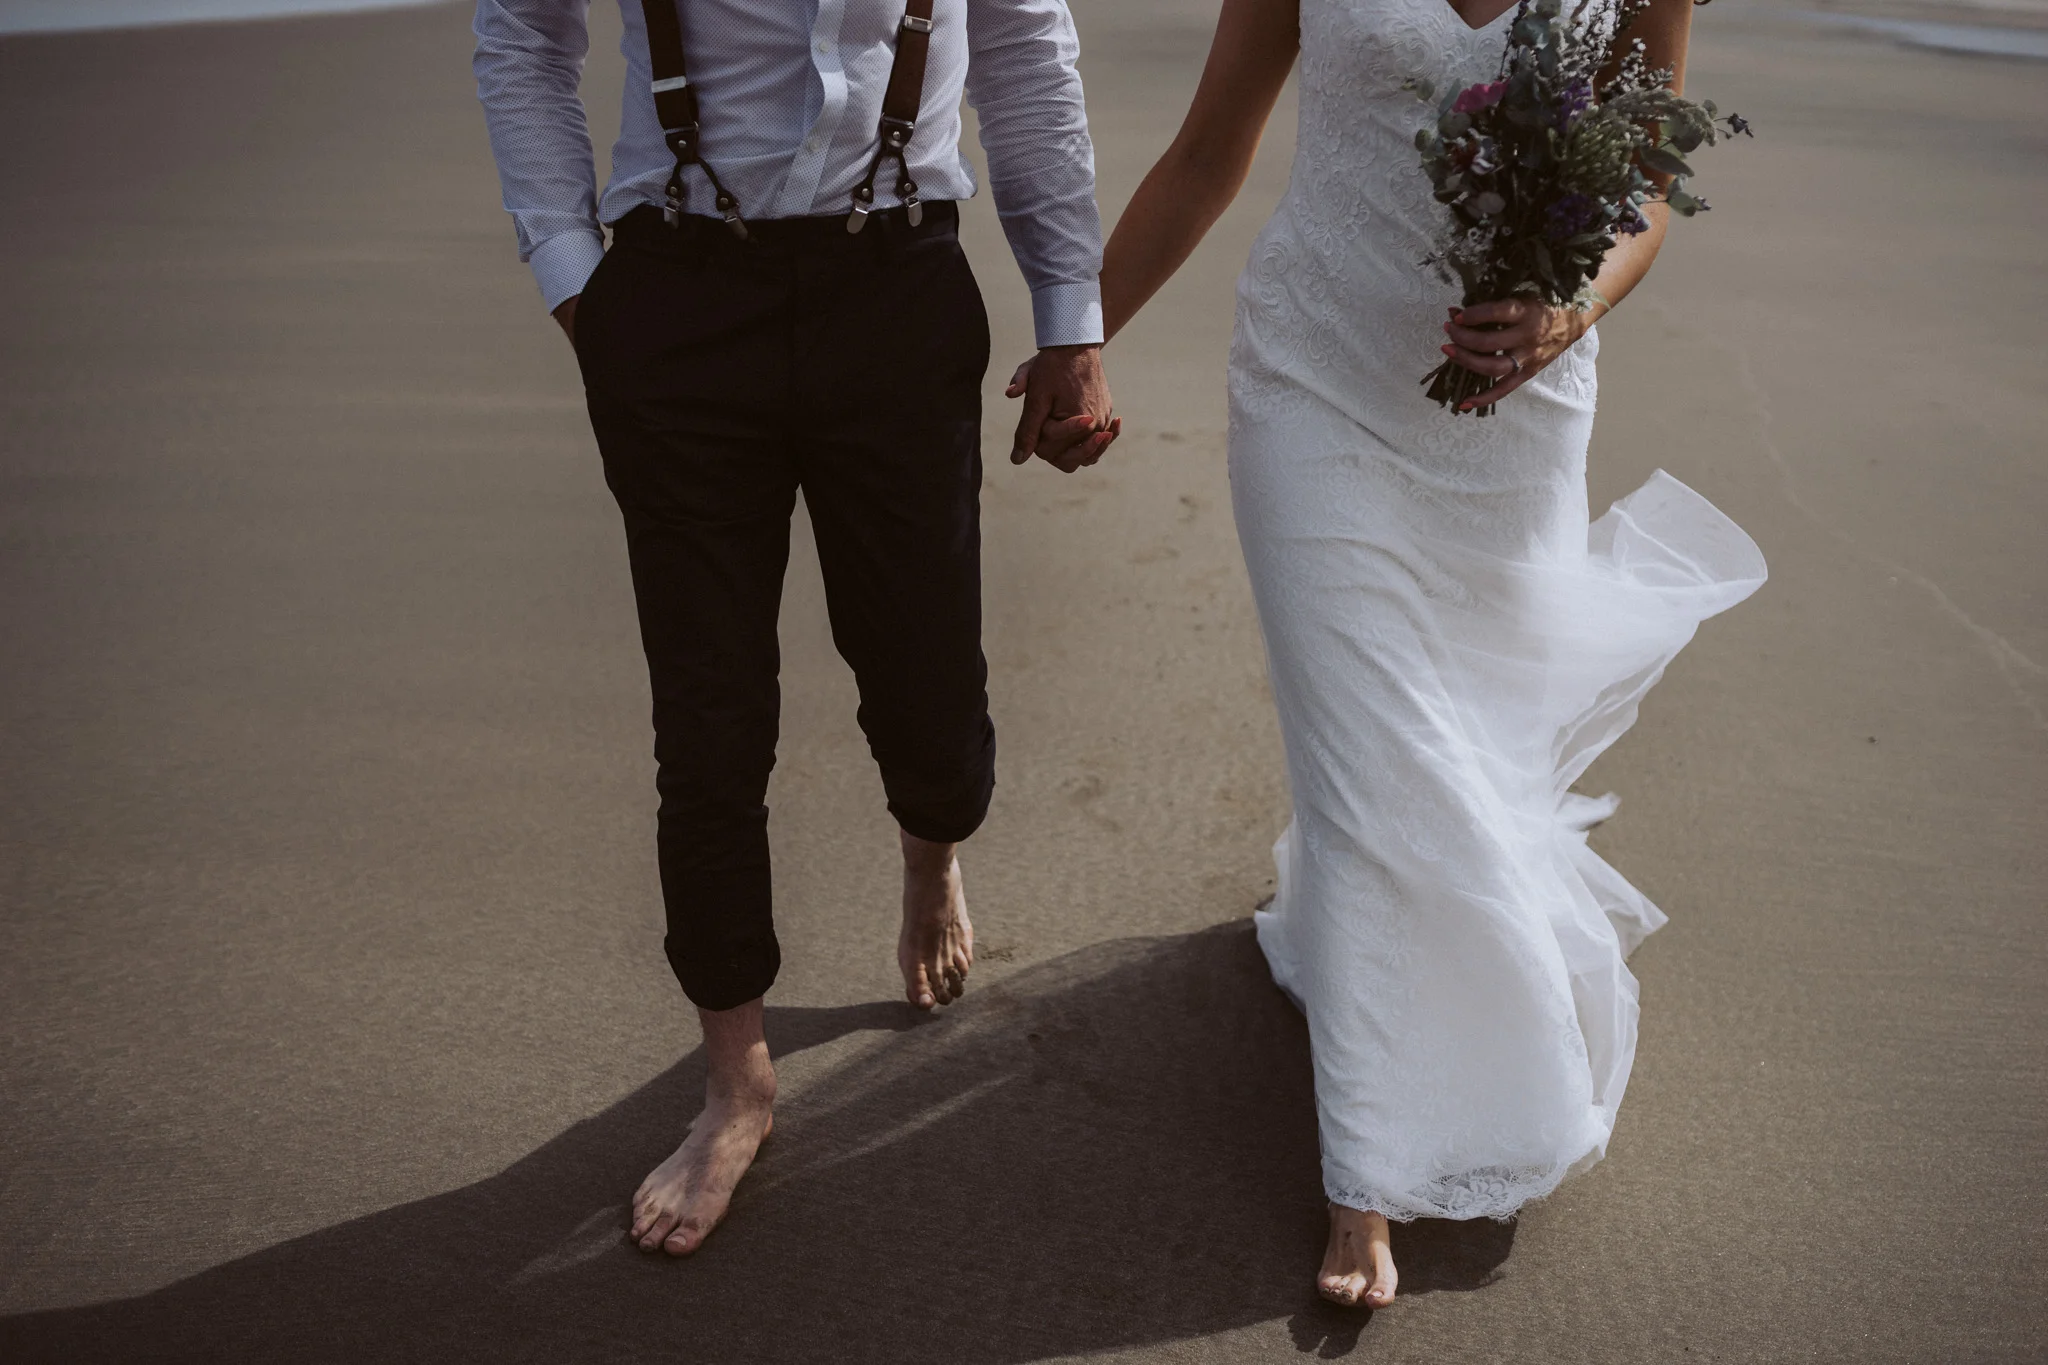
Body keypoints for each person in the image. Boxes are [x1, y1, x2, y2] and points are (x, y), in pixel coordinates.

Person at [1009, 0, 1765, 1308]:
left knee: (1475, 747)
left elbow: (1644, 172)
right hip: (1315, 381)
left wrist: (1568, 312)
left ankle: (1343, 947)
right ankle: (1367, 1172)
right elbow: (1207, 150)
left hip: (1513, 416)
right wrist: (1082, 333)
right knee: (1367, 765)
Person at [473, 0, 1119, 1258]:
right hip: (674, 300)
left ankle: (929, 852)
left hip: (899, 291)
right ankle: (736, 1083)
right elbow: (524, 29)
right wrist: (569, 270)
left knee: (929, 696)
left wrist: (1069, 319)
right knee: (709, 721)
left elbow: (1028, 48)